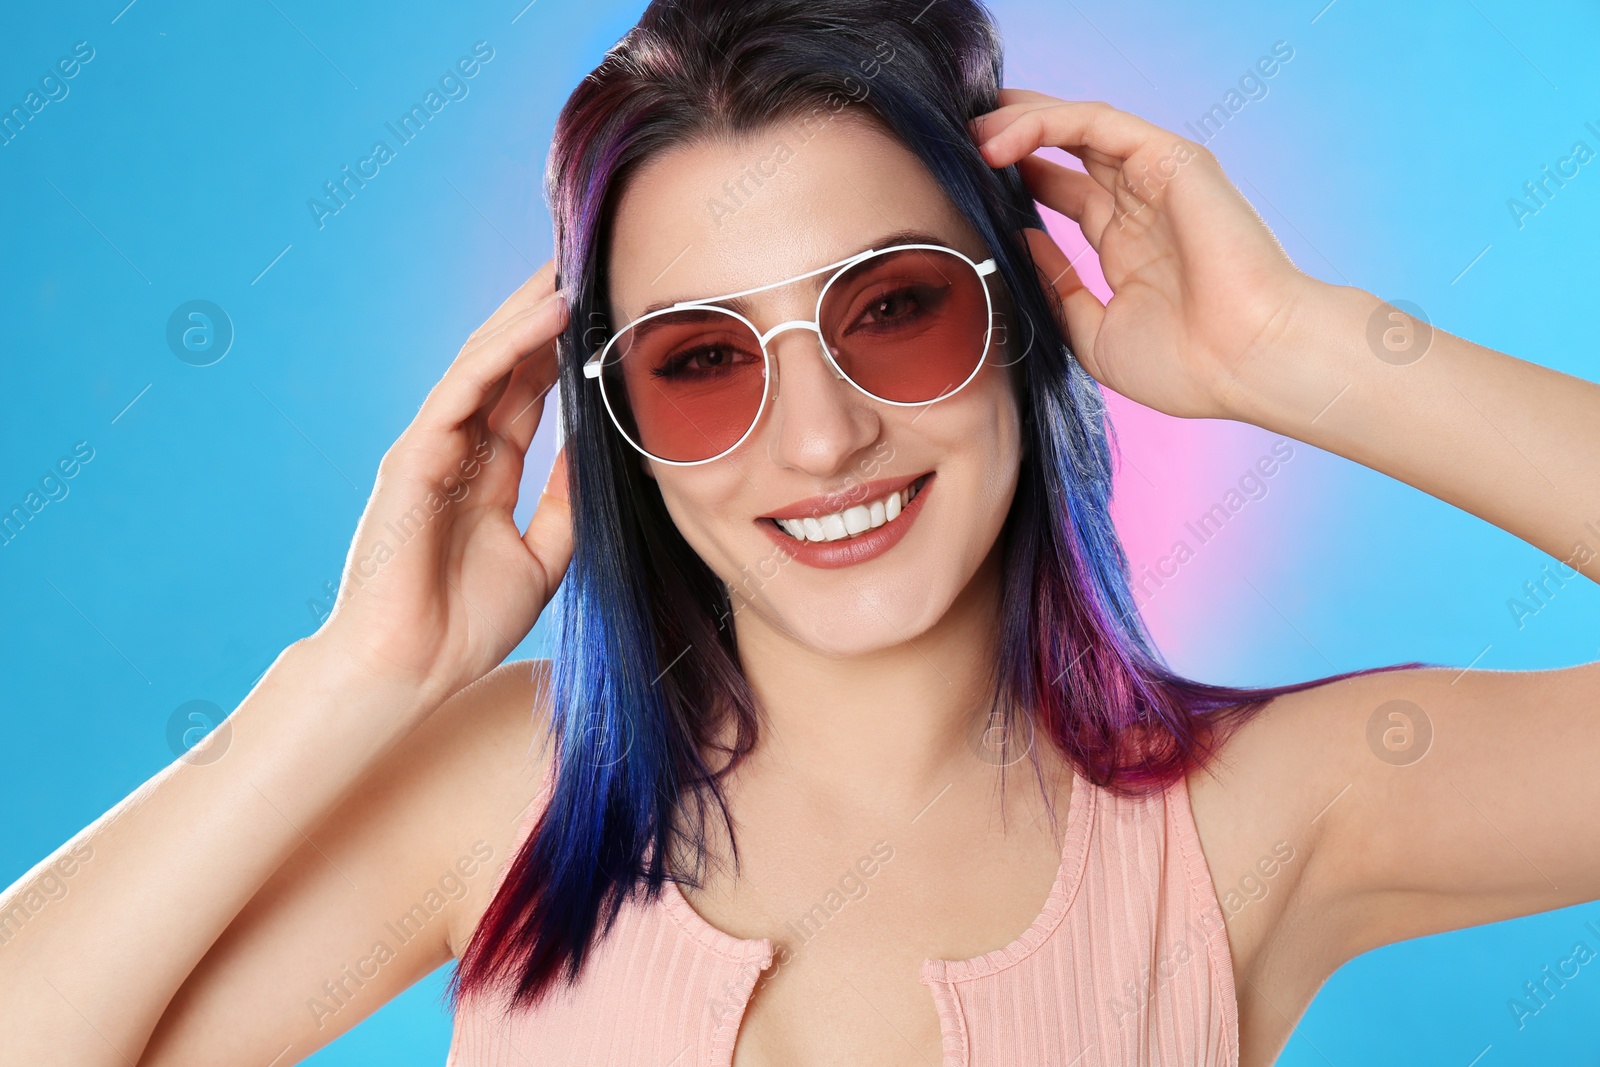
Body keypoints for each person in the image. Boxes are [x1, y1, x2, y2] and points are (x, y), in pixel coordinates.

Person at [3, 0, 1597, 1064]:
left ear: (1024, 323)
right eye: (701, 361)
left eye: (893, 311)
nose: (821, 436)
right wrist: (351, 679)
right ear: (615, 417)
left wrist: (1300, 356)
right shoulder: (512, 797)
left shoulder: (1268, 816)